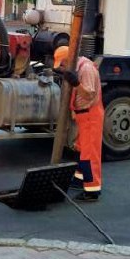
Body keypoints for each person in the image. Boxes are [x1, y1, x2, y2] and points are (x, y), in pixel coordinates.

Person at [53, 45, 104, 202]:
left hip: (90, 115)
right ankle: (80, 179)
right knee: (82, 148)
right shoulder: (79, 67)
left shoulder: (86, 69)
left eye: (61, 64)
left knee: (89, 154)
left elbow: (89, 94)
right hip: (85, 115)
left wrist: (76, 84)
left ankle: (92, 190)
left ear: (69, 60)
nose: (60, 69)